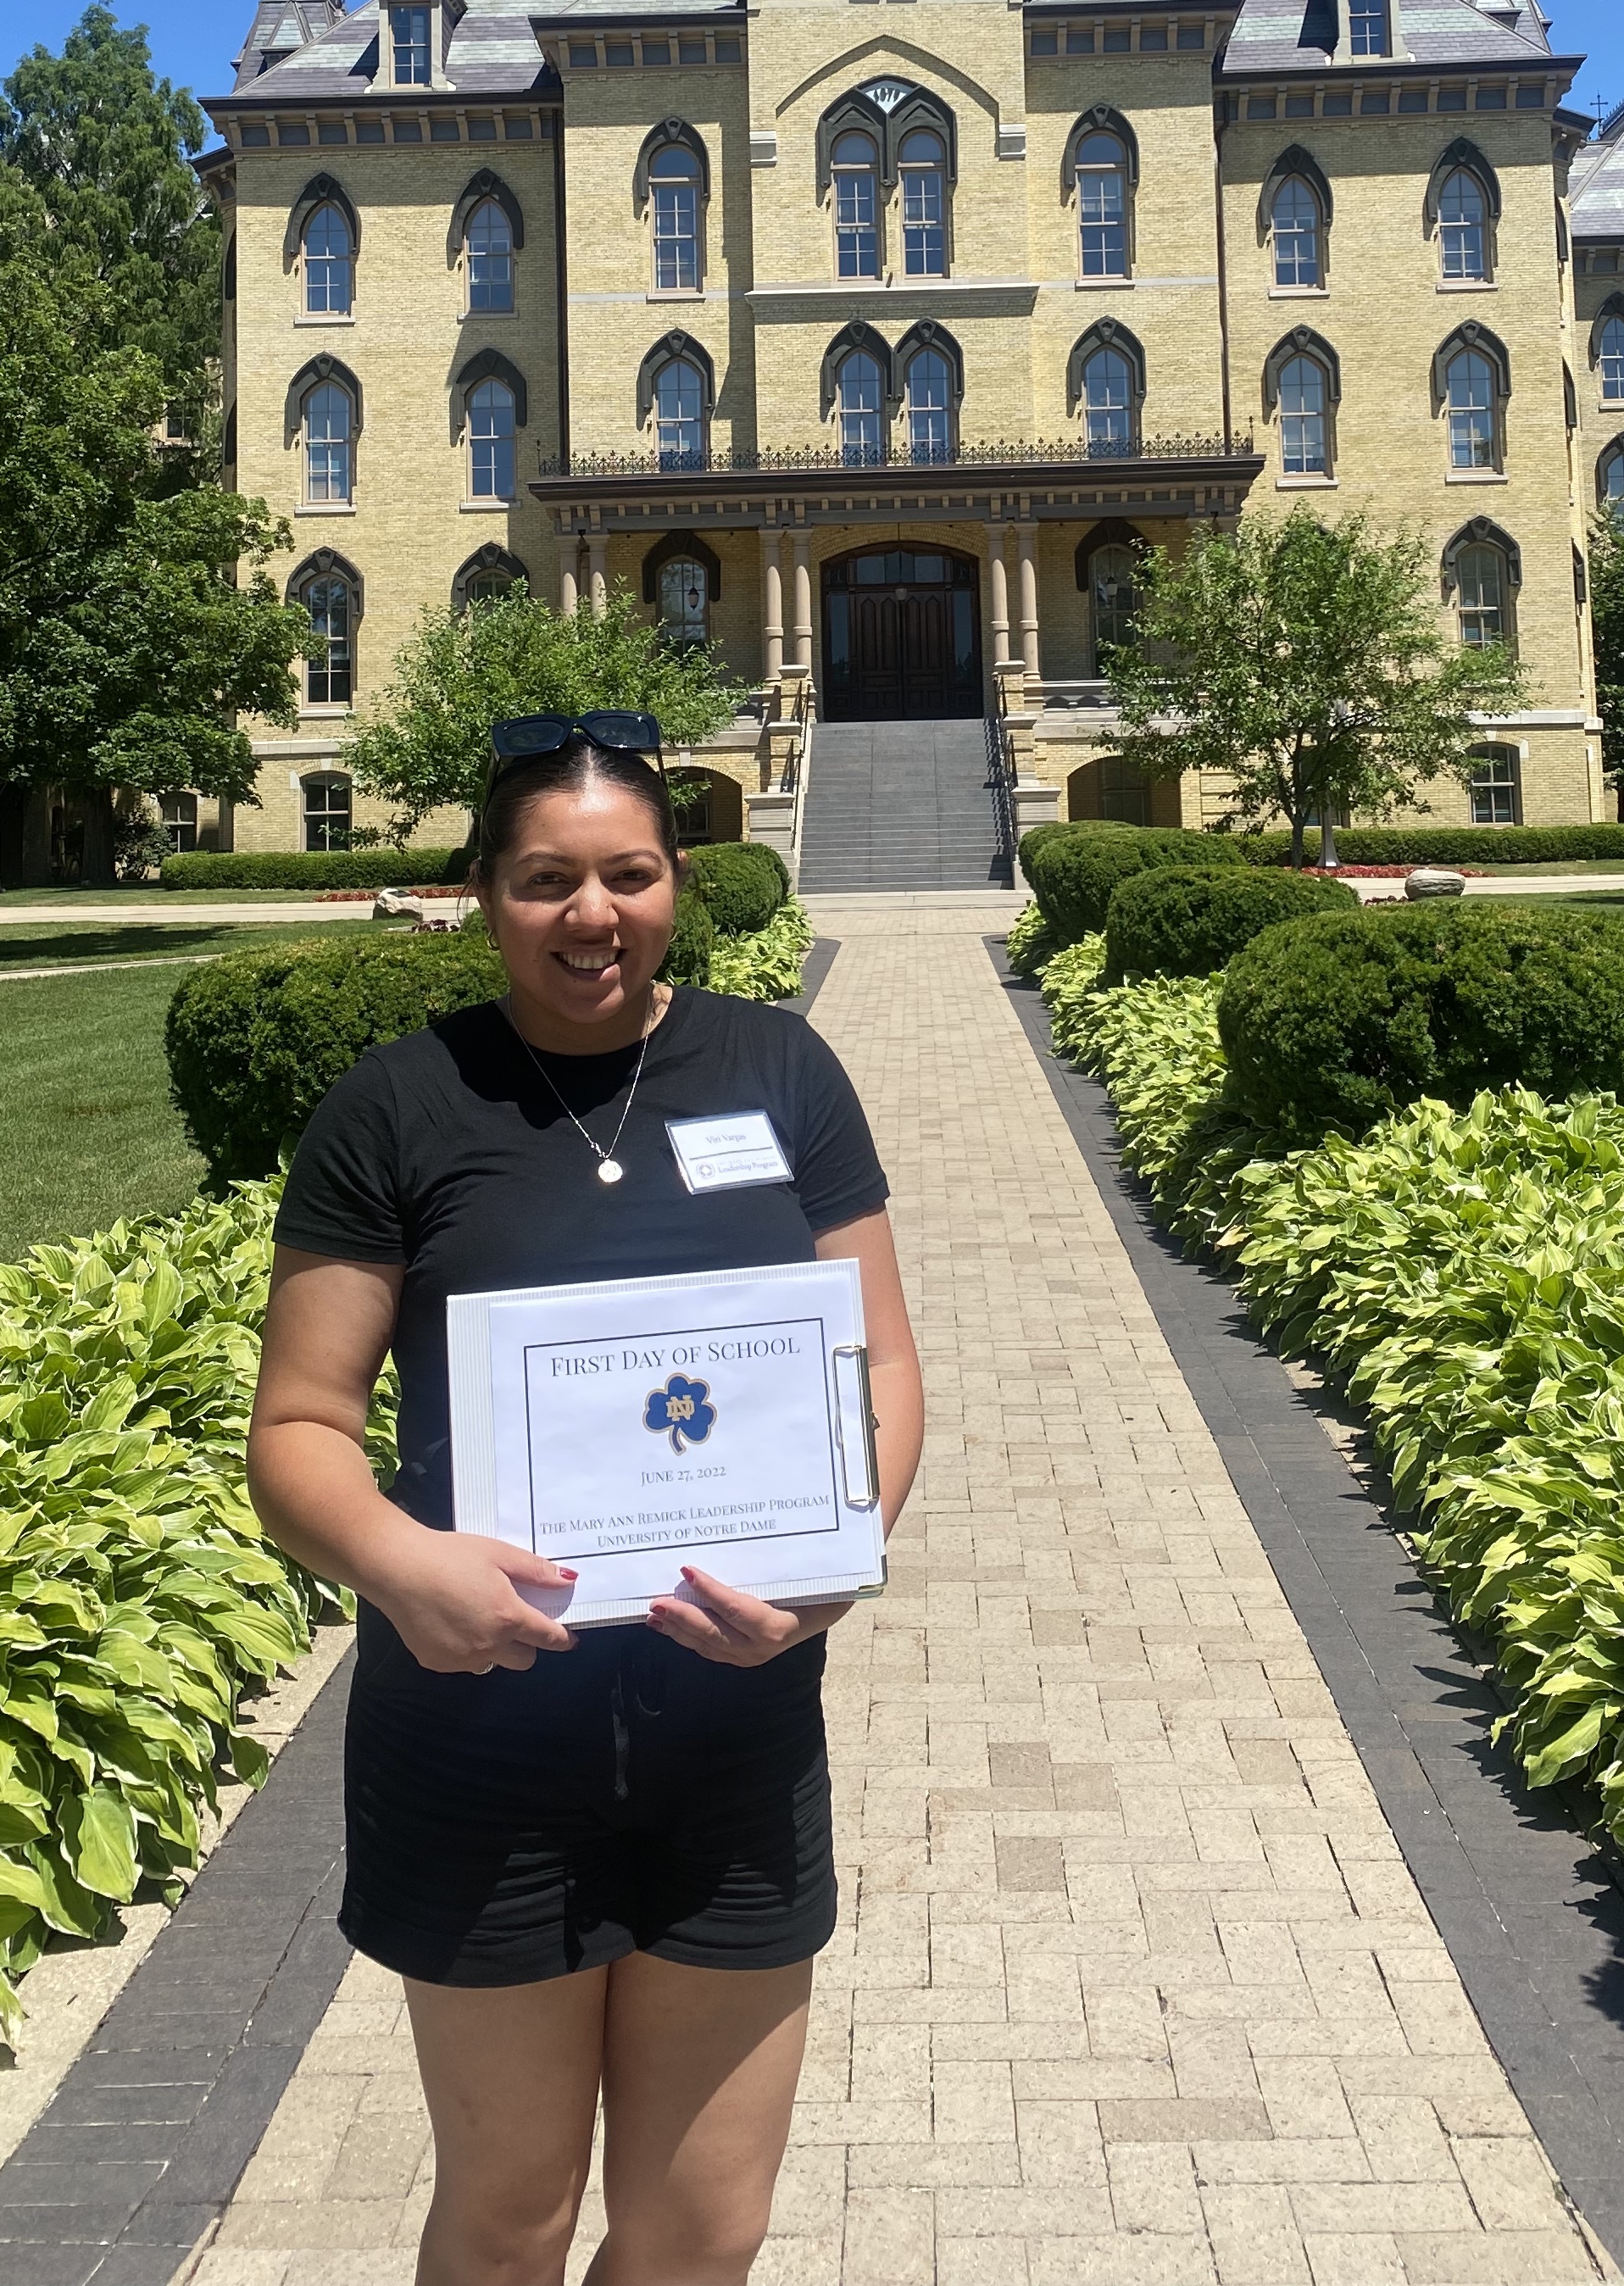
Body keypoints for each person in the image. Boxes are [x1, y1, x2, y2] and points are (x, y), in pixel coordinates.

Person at [247, 711, 923, 2286]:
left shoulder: (779, 1070)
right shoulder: (399, 1108)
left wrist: (838, 1554)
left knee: (703, 2231)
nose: (591, 915)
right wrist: (402, 1567)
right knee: (510, 2218)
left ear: (680, 881)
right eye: (547, 878)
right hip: (481, 1743)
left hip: (734, 1732)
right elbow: (299, 1423)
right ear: (485, 890)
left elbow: (883, 1367)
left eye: (627, 874)